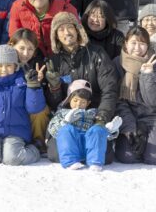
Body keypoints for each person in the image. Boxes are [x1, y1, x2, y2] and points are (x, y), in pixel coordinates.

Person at [44, 11, 119, 163]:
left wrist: (101, 118)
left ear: (78, 29)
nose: (66, 33)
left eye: (69, 27)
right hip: (66, 120)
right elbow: (54, 103)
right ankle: (82, 150)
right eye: (61, 29)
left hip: (93, 115)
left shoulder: (96, 53)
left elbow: (109, 89)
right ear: (56, 36)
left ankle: (85, 148)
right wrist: (54, 87)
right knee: (55, 154)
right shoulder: (54, 61)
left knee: (106, 156)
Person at [0, 44, 46, 166]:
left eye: (9, 65)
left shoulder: (22, 82)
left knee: (12, 158)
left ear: (15, 66)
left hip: (16, 131)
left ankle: (35, 149)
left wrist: (33, 85)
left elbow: (35, 108)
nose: (4, 69)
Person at [113, 26, 156, 166]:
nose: (137, 48)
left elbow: (154, 100)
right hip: (131, 116)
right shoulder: (117, 62)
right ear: (126, 43)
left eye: (142, 43)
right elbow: (118, 100)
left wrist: (147, 75)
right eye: (133, 43)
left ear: (148, 45)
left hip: (155, 116)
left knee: (155, 158)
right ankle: (141, 136)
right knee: (127, 157)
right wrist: (130, 126)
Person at [9, 0, 78, 59]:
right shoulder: (17, 7)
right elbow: (14, 38)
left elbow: (78, 36)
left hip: (62, 55)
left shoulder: (66, 8)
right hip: (31, 56)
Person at [47, 79, 111, 171]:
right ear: (69, 99)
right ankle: (70, 162)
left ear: (88, 103)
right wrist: (64, 122)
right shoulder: (62, 113)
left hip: (88, 147)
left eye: (83, 102)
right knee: (67, 129)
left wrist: (109, 130)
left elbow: (101, 136)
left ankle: (95, 162)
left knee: (97, 129)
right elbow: (52, 128)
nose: (78, 105)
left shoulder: (93, 114)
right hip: (72, 146)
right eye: (75, 100)